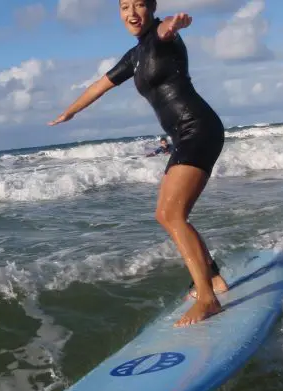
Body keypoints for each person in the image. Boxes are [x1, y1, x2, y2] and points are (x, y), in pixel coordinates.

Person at [48, 0, 228, 327]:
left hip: (199, 128)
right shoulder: (134, 57)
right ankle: (213, 279)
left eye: (139, 5)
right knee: (170, 214)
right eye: (124, 7)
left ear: (152, 7)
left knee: (170, 214)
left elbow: (164, 31)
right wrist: (71, 111)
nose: (131, 13)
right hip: (184, 136)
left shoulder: (161, 37)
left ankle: (207, 298)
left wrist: (173, 25)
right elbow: (99, 86)